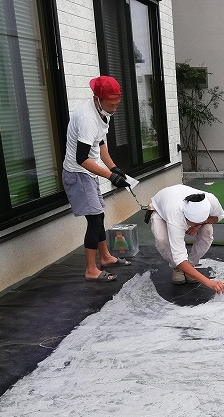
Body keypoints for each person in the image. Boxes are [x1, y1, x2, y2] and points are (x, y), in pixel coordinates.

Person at [62, 75, 133, 283]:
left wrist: (113, 167)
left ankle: (106, 257)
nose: (114, 109)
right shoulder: (88, 119)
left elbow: (100, 143)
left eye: (116, 104)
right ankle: (91, 270)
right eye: (110, 105)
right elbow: (82, 158)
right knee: (94, 220)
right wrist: (111, 177)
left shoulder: (103, 112)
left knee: (98, 216)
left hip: (89, 173)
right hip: (78, 174)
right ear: (97, 99)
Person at [147, 184, 224, 294]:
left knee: (207, 233)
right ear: (186, 217)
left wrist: (198, 225)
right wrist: (209, 282)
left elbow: (217, 217)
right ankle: (177, 268)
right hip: (162, 210)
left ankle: (191, 265)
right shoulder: (175, 216)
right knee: (162, 240)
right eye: (192, 223)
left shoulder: (210, 200)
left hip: (180, 202)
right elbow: (179, 256)